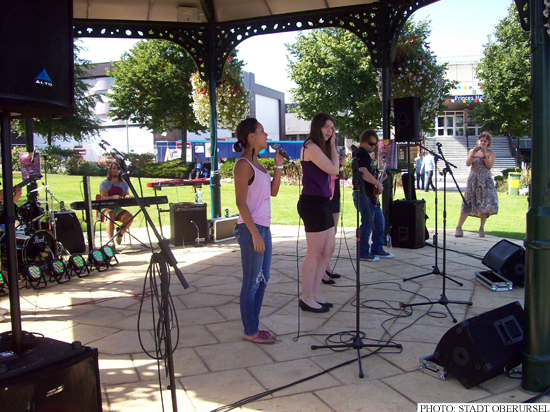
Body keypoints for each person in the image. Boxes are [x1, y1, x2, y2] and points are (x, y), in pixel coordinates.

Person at [233, 118, 284, 344]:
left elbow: (273, 192)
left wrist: (279, 165)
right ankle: (250, 330)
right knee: (251, 281)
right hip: (250, 229)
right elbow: (240, 203)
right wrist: (254, 233)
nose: (266, 135)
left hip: (264, 228)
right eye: (262, 131)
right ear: (251, 137)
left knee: (262, 280)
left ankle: (253, 326)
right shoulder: (243, 164)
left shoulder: (260, 165)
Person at [297, 113, 340, 313]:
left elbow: (334, 169)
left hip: (323, 202)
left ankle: (313, 295)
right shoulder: (310, 147)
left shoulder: (318, 147)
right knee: (314, 252)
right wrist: (332, 147)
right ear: (317, 127)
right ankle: (306, 297)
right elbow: (334, 170)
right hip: (312, 203)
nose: (330, 131)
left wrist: (331, 147)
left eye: (332, 127)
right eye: (326, 126)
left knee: (328, 249)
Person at [352, 130, 394, 261]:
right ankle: (363, 252)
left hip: (371, 195)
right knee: (368, 223)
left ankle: (377, 249)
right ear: (363, 141)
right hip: (364, 194)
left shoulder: (366, 155)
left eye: (375, 144)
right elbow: (363, 172)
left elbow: (369, 172)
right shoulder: (362, 154)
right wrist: (378, 183)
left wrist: (379, 177)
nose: (373, 147)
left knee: (379, 222)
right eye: (371, 144)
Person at [455, 131, 498, 238]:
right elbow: (467, 163)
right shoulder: (472, 151)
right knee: (467, 203)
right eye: (481, 140)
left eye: (485, 141)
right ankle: (459, 227)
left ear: (488, 142)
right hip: (473, 181)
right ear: (478, 140)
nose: (482, 142)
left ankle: (481, 228)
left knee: (485, 204)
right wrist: (473, 154)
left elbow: (489, 166)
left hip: (485, 182)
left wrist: (484, 154)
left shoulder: (491, 153)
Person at [322, 153, 346, 285]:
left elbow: (335, 174)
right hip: (324, 195)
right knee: (325, 235)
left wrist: (340, 168)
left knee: (332, 233)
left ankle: (326, 267)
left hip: (334, 195)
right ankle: (322, 271)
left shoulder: (332, 153)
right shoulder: (318, 153)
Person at [99, 163, 134, 248]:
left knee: (130, 217)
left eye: (117, 168)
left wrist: (127, 196)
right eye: (113, 168)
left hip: (117, 209)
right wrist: (112, 197)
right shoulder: (104, 183)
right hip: (105, 208)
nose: (116, 170)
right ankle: (111, 242)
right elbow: (103, 197)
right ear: (110, 170)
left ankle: (120, 233)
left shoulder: (124, 183)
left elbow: (125, 194)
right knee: (110, 214)